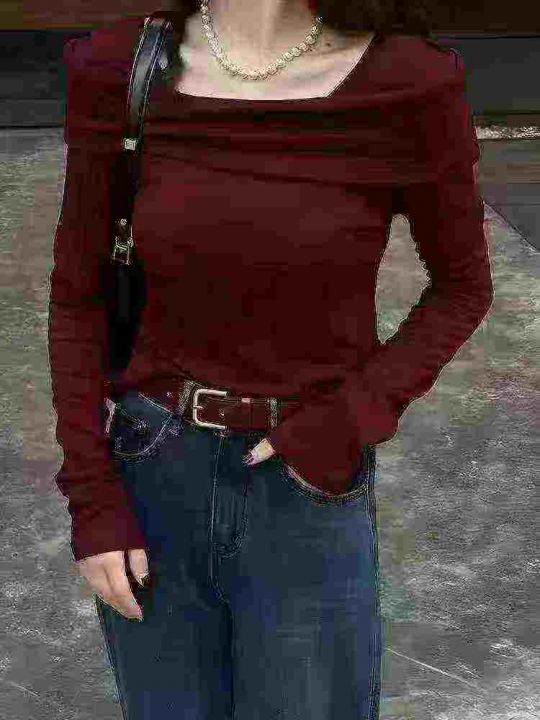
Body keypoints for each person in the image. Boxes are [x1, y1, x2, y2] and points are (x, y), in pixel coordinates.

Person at [47, 1, 494, 718]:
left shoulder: (407, 83)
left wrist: (345, 423)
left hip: (305, 491)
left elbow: (463, 286)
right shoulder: (122, 71)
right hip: (152, 476)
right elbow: (78, 298)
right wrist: (93, 499)